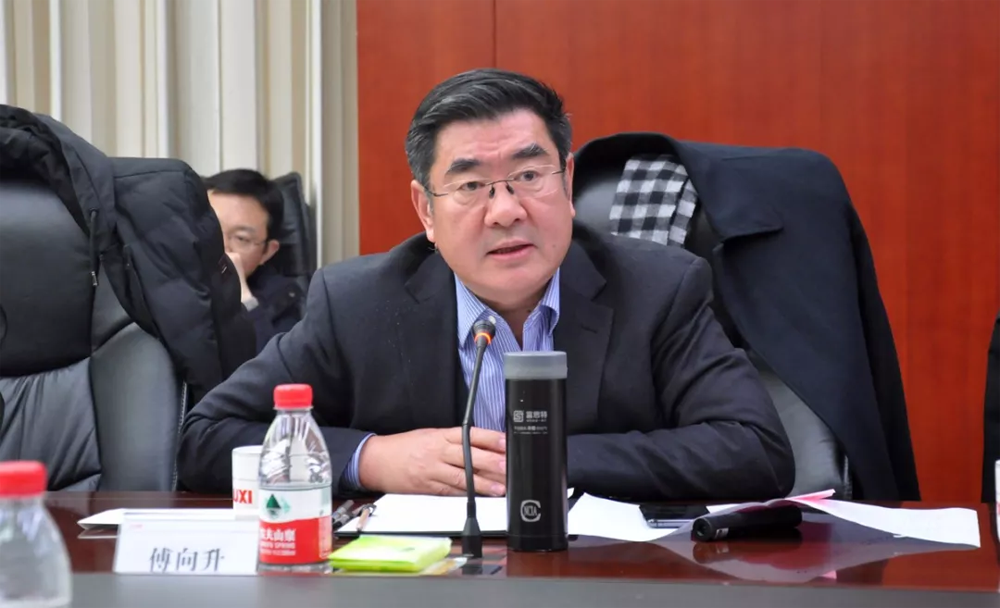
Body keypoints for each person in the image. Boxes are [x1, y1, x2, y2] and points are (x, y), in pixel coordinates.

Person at [178, 69, 794, 501]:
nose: (505, 211)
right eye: (471, 186)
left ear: (567, 182)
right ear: (426, 210)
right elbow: (207, 439)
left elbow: (755, 450)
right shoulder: (358, 303)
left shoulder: (658, 287)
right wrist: (373, 458)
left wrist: (535, 459)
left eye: (529, 175)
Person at [203, 169, 304, 352]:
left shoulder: (282, 301)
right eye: (209, 228)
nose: (219, 247)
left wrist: (243, 300)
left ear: (267, 252)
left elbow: (275, 367)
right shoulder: (157, 279)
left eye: (241, 238)